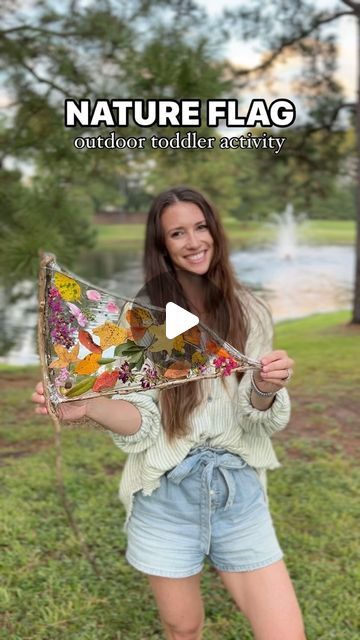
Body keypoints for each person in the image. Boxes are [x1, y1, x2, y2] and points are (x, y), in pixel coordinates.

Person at [32, 186, 306, 640]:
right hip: (166, 495)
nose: (193, 241)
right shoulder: (143, 320)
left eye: (200, 227)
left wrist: (263, 387)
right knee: (183, 626)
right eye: (177, 233)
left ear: (215, 232)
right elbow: (144, 424)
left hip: (237, 491)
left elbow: (257, 417)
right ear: (162, 246)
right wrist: (91, 405)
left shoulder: (251, 311)